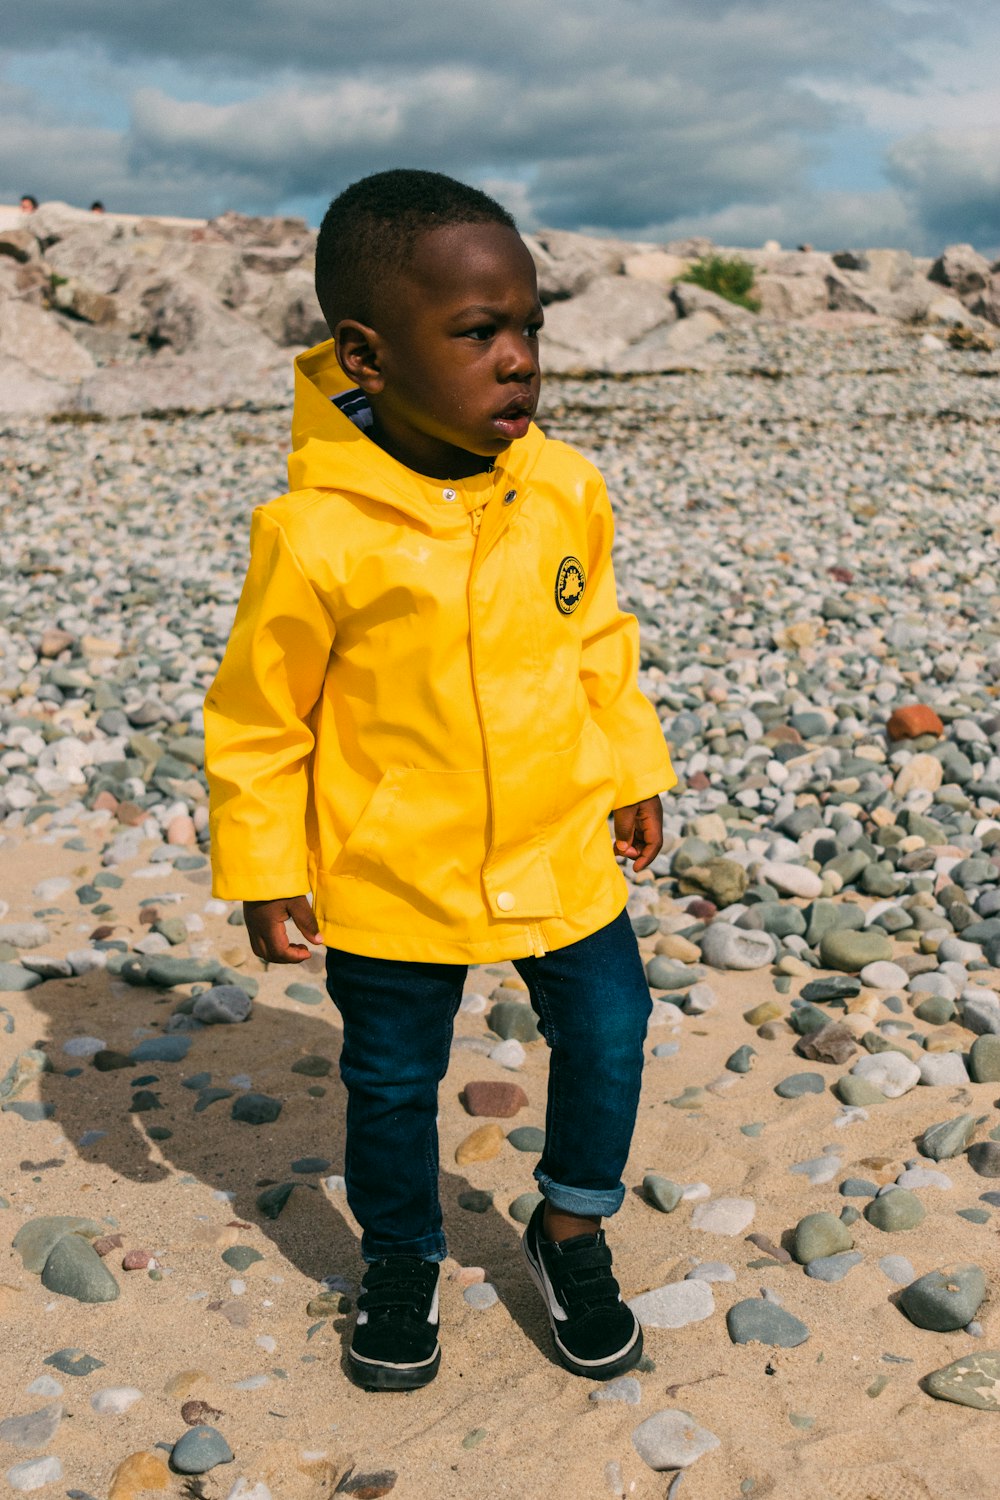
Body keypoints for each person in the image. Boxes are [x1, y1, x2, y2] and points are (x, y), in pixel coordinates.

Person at [204, 169, 676, 1393]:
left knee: (612, 1033)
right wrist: (264, 868)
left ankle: (567, 1228)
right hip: (391, 869)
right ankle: (402, 1259)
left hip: (555, 841)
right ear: (366, 354)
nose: (518, 359)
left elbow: (596, 640)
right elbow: (260, 718)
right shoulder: (312, 534)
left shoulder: (564, 488)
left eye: (529, 328)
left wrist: (630, 765)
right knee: (390, 1085)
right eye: (478, 333)